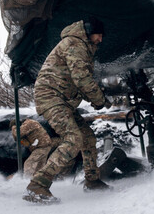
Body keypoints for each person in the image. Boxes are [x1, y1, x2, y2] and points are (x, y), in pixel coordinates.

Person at [24, 16, 112, 203]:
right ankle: (38, 184)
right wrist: (100, 99)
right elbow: (82, 79)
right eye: (99, 35)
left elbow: (80, 83)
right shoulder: (74, 43)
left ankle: (92, 181)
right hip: (51, 98)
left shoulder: (82, 47)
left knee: (87, 138)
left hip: (63, 101)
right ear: (89, 31)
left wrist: (99, 100)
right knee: (73, 139)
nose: (100, 40)